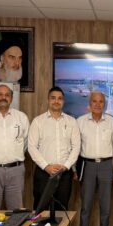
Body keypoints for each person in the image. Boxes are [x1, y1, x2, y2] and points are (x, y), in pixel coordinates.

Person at [28, 86, 80, 216]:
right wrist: (46, 167)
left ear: (63, 101)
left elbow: (76, 147)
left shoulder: (72, 122)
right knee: (41, 209)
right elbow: (32, 147)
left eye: (59, 98)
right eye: (53, 98)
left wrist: (66, 166)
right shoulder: (38, 121)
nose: (56, 101)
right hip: (43, 172)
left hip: (64, 173)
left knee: (62, 209)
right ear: (48, 100)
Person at [76, 91, 113, 226]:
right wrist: (74, 169)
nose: (98, 104)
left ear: (104, 104)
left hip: (107, 165)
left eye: (101, 101)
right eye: (95, 101)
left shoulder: (111, 122)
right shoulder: (80, 122)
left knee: (105, 204)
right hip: (87, 165)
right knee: (86, 204)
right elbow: (75, 147)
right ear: (90, 103)